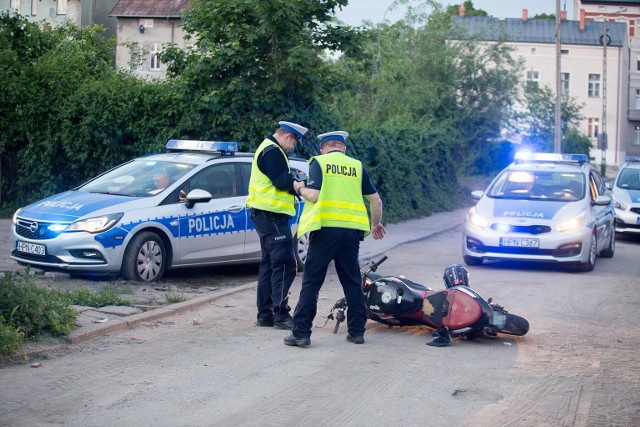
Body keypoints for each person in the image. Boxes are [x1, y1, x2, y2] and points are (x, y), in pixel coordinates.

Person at [284, 131, 386, 347]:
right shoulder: (356, 166)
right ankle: (357, 332)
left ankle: (301, 333)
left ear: (322, 148)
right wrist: (375, 224)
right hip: (351, 233)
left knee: (312, 281)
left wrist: (298, 187)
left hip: (325, 230)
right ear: (344, 149)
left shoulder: (319, 163)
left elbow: (313, 194)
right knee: (351, 281)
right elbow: (376, 201)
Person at [247, 120, 308, 330]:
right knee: (284, 264)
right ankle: (280, 315)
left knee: (269, 265)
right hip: (271, 217)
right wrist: (299, 186)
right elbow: (282, 181)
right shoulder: (272, 151)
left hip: (266, 216)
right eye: (294, 143)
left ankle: (265, 315)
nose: (293, 147)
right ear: (288, 137)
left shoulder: (268, 149)